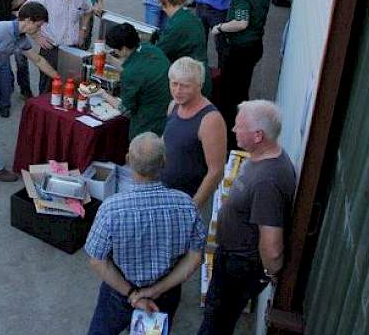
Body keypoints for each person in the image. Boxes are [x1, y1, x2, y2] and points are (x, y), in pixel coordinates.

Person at [84, 133, 206, 335]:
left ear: (128, 161)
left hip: (119, 292)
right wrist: (155, 291)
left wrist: (133, 294)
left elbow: (97, 260)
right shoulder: (186, 205)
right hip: (165, 293)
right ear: (164, 162)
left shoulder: (111, 209)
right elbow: (195, 257)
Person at [198, 100, 296, 335]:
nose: (233, 130)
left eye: (238, 127)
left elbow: (272, 247)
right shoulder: (259, 157)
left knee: (216, 325)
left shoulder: (268, 181)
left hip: (239, 267)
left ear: (258, 136)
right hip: (231, 259)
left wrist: (268, 274)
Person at [0, 4, 58, 183]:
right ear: (28, 21)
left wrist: (57, 77)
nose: (38, 30)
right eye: (38, 26)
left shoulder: (20, 38)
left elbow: (37, 60)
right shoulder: (2, 29)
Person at [211, 0, 271, 148]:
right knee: (242, 89)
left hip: (241, 48)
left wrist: (220, 27)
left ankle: (231, 139)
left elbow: (241, 22)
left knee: (230, 95)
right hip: (255, 45)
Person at [161, 57, 226, 208]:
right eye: (174, 84)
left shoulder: (210, 120)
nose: (177, 91)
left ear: (199, 86)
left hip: (188, 199)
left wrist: (193, 207)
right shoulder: (174, 106)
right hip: (165, 193)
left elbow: (215, 171)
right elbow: (166, 140)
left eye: (185, 86)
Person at [26, 0, 93, 93]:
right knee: (48, 90)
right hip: (52, 50)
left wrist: (83, 29)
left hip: (73, 49)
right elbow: (24, 13)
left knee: (72, 89)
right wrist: (36, 36)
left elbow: (88, 9)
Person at [97, 23, 171, 139]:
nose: (115, 52)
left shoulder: (130, 74)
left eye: (115, 50)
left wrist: (102, 94)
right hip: (168, 115)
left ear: (125, 48)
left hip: (148, 125)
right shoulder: (150, 49)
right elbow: (135, 66)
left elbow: (125, 109)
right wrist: (110, 60)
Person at [155, 0, 211, 97]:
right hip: (199, 75)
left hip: (189, 81)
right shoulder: (191, 17)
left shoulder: (177, 24)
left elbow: (159, 53)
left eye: (161, 5)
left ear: (166, 3)